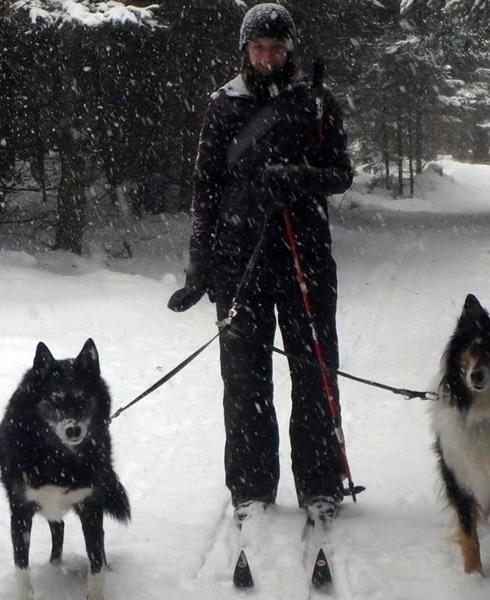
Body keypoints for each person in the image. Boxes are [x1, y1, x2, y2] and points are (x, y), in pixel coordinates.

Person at [166, 3, 354, 525]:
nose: (267, 57)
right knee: (245, 380)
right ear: (245, 51)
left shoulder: (316, 102)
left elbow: (341, 173)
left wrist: (298, 176)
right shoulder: (223, 105)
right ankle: (251, 487)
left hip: (305, 256)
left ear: (289, 48)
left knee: (314, 371)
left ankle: (320, 483)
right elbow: (205, 190)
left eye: (275, 47)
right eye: (258, 48)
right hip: (239, 260)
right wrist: (199, 268)